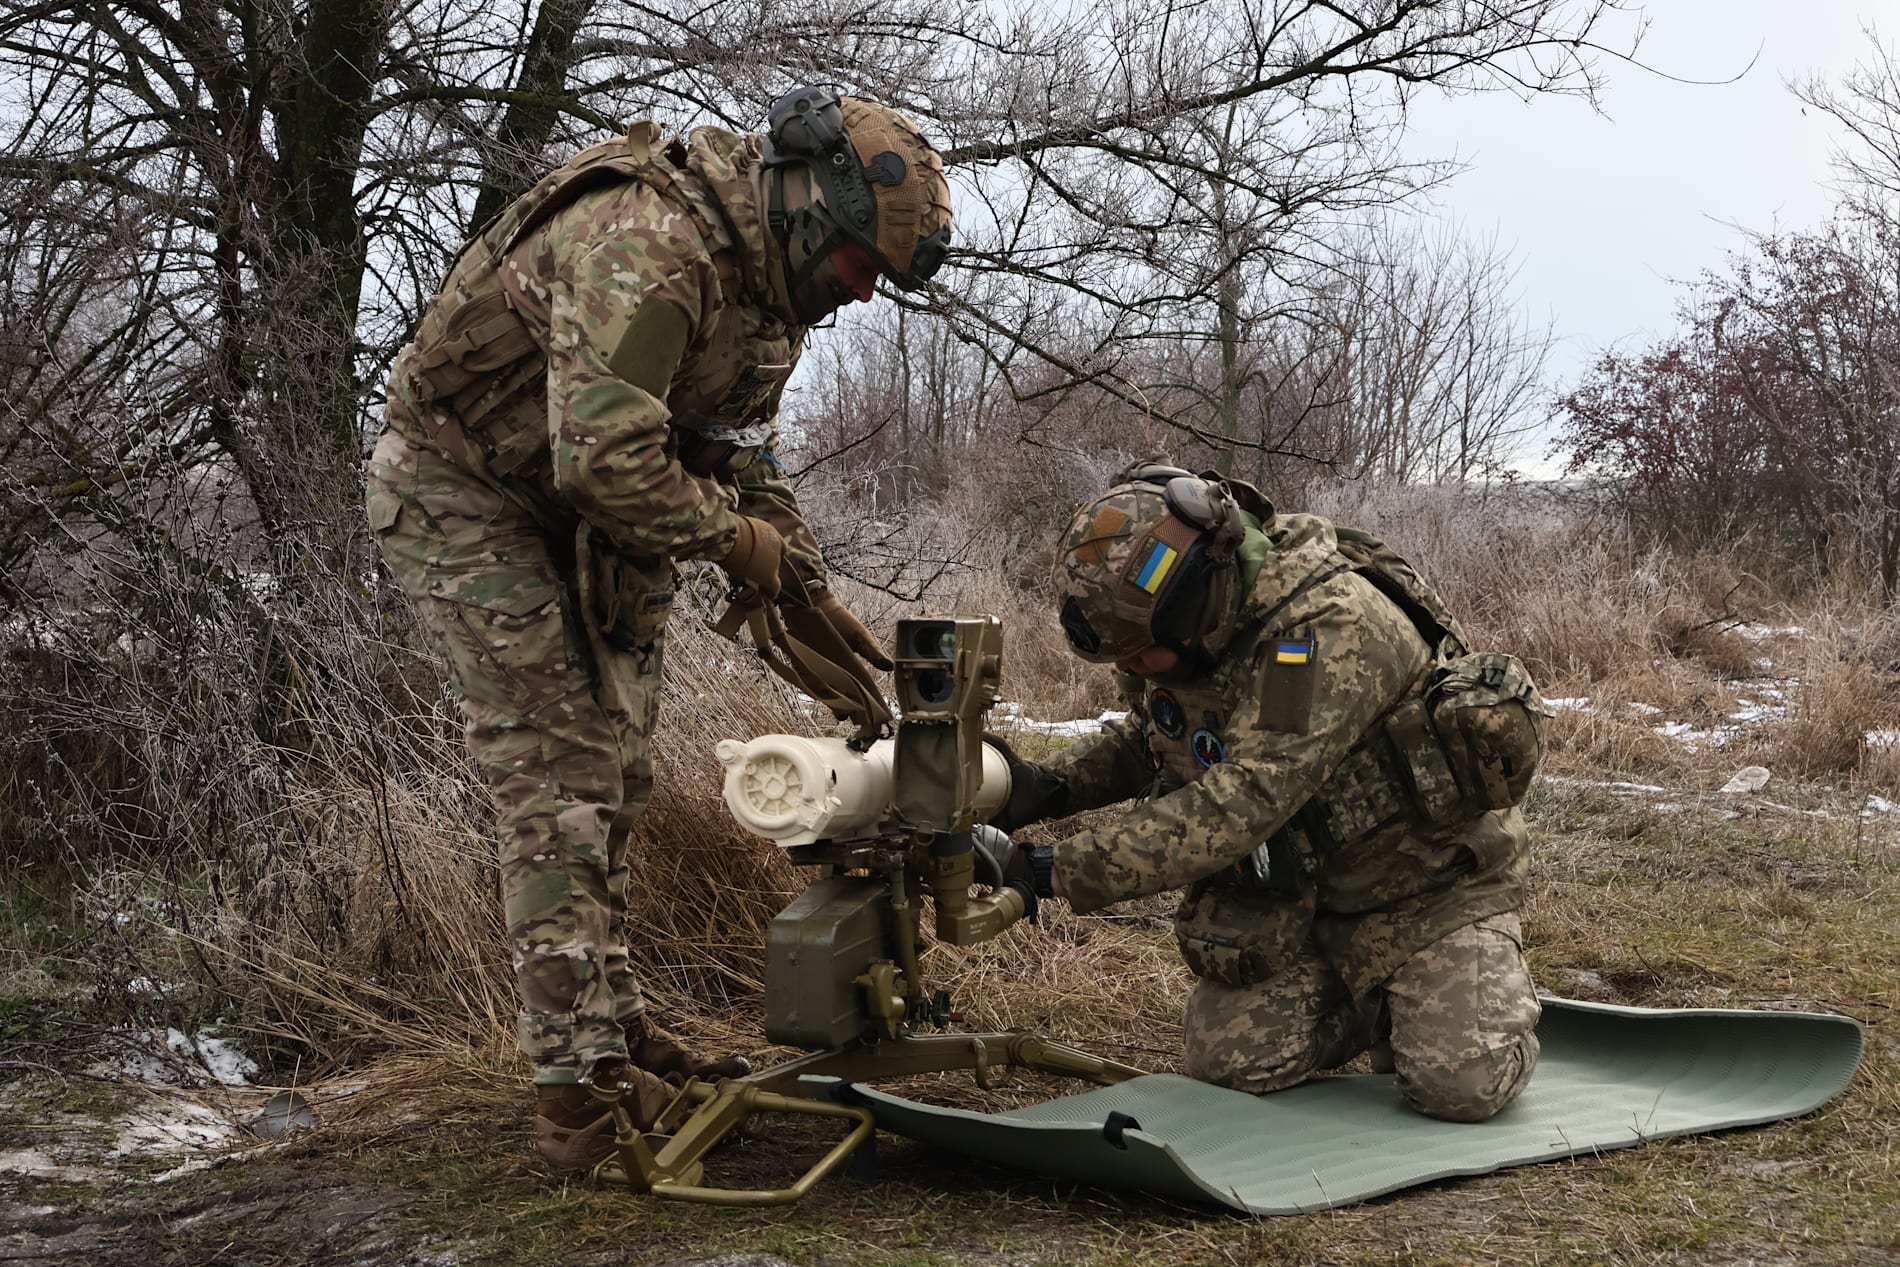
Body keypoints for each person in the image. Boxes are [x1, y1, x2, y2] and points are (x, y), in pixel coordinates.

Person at [364, 86, 953, 1170]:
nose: (862, 296)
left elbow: (735, 448)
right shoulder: (652, 244)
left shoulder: (768, 297)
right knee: (560, 772)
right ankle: (577, 1097)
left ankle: (613, 1030)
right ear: (811, 214)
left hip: (586, 502)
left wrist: (792, 559)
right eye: (859, 269)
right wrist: (736, 544)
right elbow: (604, 459)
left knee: (621, 769)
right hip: (466, 484)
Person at [988, 463, 1543, 1122]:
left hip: (1431, 887)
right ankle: (1377, 1003)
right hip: (1314, 899)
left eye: (1138, 653)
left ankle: (1457, 987)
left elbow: (1243, 799)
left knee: (1461, 1083)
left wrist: (1052, 871)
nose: (1130, 670)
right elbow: (1153, 739)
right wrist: (1041, 788)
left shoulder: (1322, 628)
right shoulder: (1196, 632)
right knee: (1229, 1059)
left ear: (1193, 599)